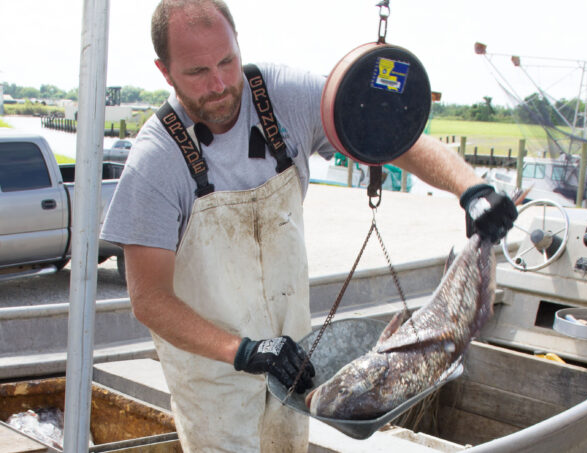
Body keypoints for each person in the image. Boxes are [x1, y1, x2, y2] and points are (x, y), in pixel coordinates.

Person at [100, 1, 517, 452]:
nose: (219, 84)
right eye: (198, 72)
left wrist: (471, 189)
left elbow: (387, 133)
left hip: (296, 362)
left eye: (227, 61)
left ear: (239, 44)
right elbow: (149, 299)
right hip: (212, 374)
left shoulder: (282, 98)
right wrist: (243, 352)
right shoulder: (155, 162)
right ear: (165, 72)